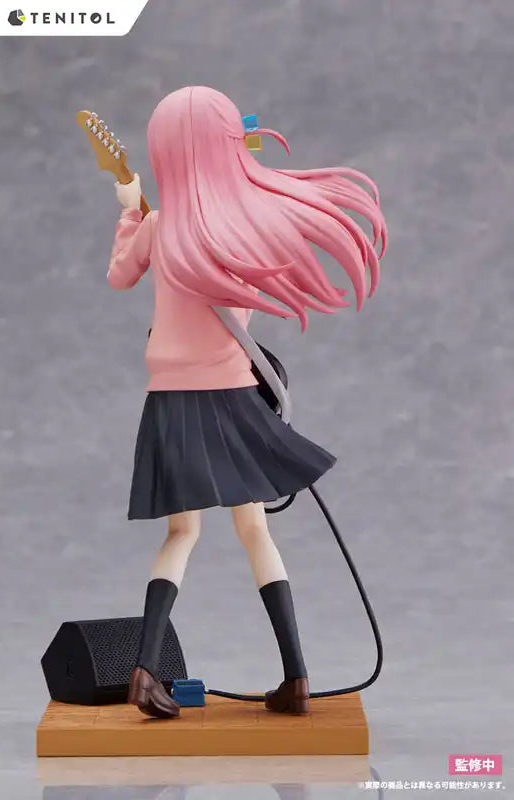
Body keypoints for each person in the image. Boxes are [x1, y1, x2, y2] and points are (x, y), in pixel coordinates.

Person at [106, 86, 387, 719]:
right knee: (254, 527)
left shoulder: (158, 225)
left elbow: (121, 274)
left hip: (172, 399)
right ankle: (296, 677)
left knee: (182, 532)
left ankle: (143, 673)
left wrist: (128, 211)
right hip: (233, 396)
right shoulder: (249, 227)